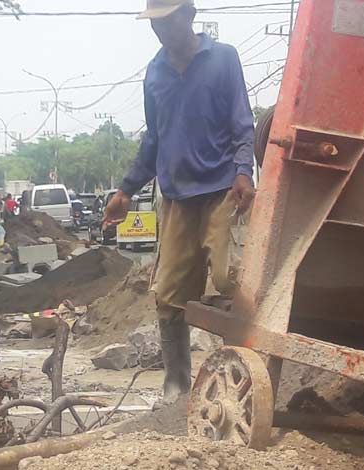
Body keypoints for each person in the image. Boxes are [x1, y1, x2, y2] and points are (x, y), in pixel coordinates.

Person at [103, 0, 255, 405]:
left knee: (230, 281)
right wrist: (125, 191)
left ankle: (245, 380)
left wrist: (244, 171)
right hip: (176, 199)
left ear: (189, 16)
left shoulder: (223, 59)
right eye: (154, 23)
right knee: (168, 294)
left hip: (222, 190)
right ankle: (177, 390)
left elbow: (242, 123)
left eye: (167, 21)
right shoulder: (155, 73)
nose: (160, 30)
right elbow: (153, 140)